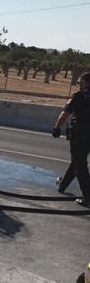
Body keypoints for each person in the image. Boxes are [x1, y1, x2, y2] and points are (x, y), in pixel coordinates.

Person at [52, 72, 90, 207]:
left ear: (85, 82)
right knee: (78, 160)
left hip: (80, 134)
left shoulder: (79, 96)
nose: (78, 84)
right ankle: (63, 186)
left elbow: (65, 113)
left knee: (79, 164)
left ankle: (88, 197)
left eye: (79, 82)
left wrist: (57, 127)